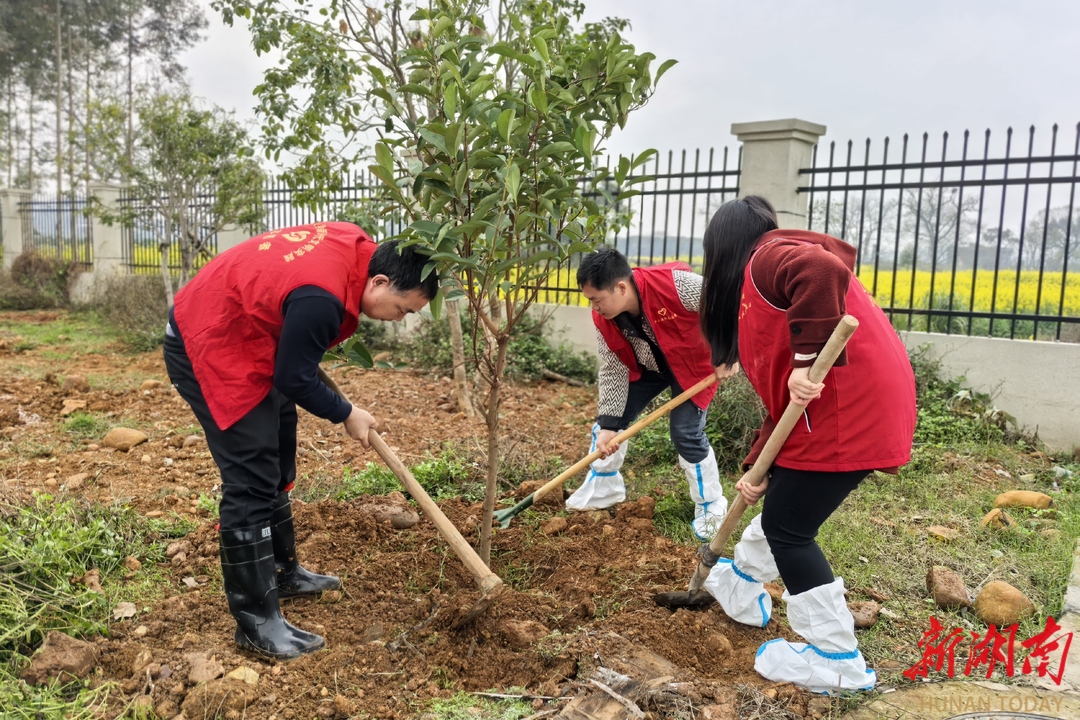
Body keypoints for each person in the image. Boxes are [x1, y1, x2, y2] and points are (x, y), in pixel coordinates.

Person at [163, 221, 437, 660]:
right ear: (381, 280)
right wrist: (347, 413)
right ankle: (256, 623)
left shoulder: (356, 245)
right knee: (251, 473)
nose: (400, 320)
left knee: (280, 442)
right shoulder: (320, 299)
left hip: (253, 335)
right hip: (210, 339)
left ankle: (282, 572)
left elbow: (293, 362)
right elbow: (294, 376)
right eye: (403, 310)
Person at [697, 196, 916, 694]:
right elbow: (783, 403)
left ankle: (836, 659)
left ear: (722, 249)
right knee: (782, 507)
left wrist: (803, 359)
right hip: (846, 408)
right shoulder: (758, 294)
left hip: (848, 411)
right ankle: (744, 586)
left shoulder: (768, 255)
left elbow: (821, 269)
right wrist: (757, 468)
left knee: (787, 528)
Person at [567, 246, 730, 541]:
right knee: (608, 426)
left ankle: (711, 505)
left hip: (691, 364)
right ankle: (605, 487)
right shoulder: (604, 318)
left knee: (686, 432)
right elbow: (613, 369)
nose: (594, 308)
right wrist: (608, 426)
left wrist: (728, 352)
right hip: (649, 367)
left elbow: (727, 303)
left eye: (596, 300)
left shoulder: (676, 285)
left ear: (620, 287)